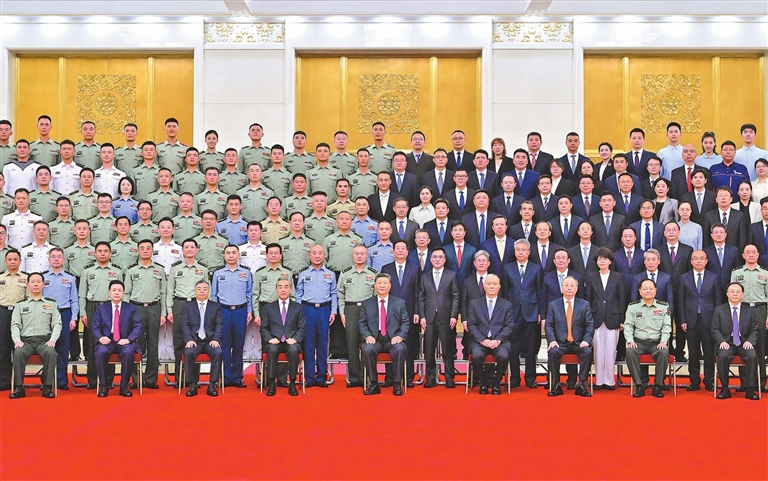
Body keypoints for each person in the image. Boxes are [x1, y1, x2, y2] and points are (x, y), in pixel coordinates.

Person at [123, 239, 167, 390]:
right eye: (142, 248)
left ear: (152, 251)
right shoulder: (131, 270)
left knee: (153, 344)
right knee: (136, 344)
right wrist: (126, 313)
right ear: (138, 251)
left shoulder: (159, 270)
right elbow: (126, 293)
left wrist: (164, 312)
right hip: (136, 308)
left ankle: (150, 379)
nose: (145, 251)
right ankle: (136, 379)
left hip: (154, 308)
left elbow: (163, 292)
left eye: (148, 248)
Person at [9, 272, 61, 399]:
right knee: (18, 352)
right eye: (32, 282)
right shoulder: (20, 305)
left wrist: (53, 340)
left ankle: (47, 386)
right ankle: (19, 387)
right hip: (25, 341)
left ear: (43, 284)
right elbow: (15, 325)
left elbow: (57, 324)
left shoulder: (52, 304)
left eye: (38, 282)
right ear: (27, 284)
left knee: (51, 352)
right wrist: (17, 340)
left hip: (44, 340)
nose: (36, 284)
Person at [79, 242, 123, 389]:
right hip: (93, 307)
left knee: (109, 341)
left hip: (110, 307)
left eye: (105, 251)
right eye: (99, 251)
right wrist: (83, 312)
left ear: (110, 253)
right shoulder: (87, 271)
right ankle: (92, 380)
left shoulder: (117, 271)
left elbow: (121, 293)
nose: (102, 253)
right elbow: (82, 294)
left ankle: (108, 381)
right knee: (92, 343)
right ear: (95, 253)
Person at [166, 239, 209, 387]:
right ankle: (180, 378)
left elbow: (207, 289)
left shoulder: (203, 268)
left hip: (197, 304)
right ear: (182, 250)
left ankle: (193, 379)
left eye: (192, 247)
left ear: (197, 250)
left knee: (196, 340)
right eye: (186, 247)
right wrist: (169, 309)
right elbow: (169, 291)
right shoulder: (175, 268)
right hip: (179, 304)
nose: (189, 249)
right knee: (179, 341)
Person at [359, 273, 410, 396]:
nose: (382, 286)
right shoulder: (367, 303)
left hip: (392, 339)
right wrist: (367, 336)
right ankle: (374, 384)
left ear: (390, 286)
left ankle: (397, 384)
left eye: (385, 283)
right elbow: (362, 323)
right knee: (367, 349)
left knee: (400, 349)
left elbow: (405, 322)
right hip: (375, 339)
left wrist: (400, 336)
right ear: (375, 285)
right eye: (379, 283)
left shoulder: (399, 303)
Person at [679, 250, 721, 391]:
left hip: (709, 320)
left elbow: (718, 301)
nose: (698, 261)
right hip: (690, 320)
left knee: (709, 352)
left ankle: (709, 381)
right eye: (695, 258)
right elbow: (681, 301)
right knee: (693, 352)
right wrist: (682, 320)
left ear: (706, 261)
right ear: (691, 261)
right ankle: (694, 381)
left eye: (701, 258)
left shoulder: (714, 277)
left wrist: (717, 321)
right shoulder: (684, 278)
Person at [381, 240, 421, 387]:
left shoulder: (415, 268)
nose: (400, 251)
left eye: (403, 248)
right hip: (390, 312)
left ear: (407, 252)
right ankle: (390, 377)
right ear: (393, 251)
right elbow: (382, 291)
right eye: (397, 248)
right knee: (390, 343)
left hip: (409, 312)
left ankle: (408, 377)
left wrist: (417, 311)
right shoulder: (386, 268)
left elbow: (418, 292)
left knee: (408, 345)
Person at [211, 245, 253, 388]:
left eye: (234, 253)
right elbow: (214, 295)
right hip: (223, 311)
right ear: (224, 256)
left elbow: (249, 293)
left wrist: (249, 311)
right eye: (228, 253)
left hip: (240, 311)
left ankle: (237, 378)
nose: (231, 255)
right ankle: (225, 377)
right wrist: (215, 314)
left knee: (238, 345)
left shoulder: (246, 273)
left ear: (239, 255)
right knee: (224, 345)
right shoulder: (218, 273)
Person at [92, 280, 142, 398]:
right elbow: (94, 327)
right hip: (107, 341)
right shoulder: (101, 308)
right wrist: (100, 337)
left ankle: (124, 386)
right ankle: (104, 386)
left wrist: (128, 339)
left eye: (119, 290)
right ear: (109, 292)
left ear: (123, 293)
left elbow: (138, 326)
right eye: (114, 290)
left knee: (128, 352)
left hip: (124, 341)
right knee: (101, 352)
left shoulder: (131, 308)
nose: (116, 293)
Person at [418, 247, 460, 388]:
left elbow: (456, 296)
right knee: (429, 349)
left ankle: (449, 377)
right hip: (429, 318)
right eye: (434, 257)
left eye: (440, 257)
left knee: (448, 349)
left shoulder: (451, 275)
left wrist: (454, 315)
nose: (437, 259)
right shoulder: (425, 276)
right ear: (430, 259)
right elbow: (421, 298)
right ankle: (430, 378)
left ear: (445, 259)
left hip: (446, 317)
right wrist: (422, 316)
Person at [296, 245, 337, 388]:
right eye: (314, 253)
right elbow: (299, 294)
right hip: (308, 309)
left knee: (322, 344)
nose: (317, 256)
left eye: (320, 253)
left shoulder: (330, 274)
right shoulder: (303, 274)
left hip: (324, 310)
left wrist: (333, 311)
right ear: (309, 256)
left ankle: (321, 376)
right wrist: (299, 313)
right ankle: (309, 377)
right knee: (308, 344)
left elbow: (334, 293)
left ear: (324, 255)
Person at [584, 248, 625, 390]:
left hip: (613, 317)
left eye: (605, 258)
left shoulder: (618, 277)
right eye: (600, 259)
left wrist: (622, 319)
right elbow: (588, 298)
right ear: (596, 261)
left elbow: (621, 299)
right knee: (598, 351)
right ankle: (599, 381)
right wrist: (588, 319)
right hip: (595, 318)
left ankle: (609, 381)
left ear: (610, 261)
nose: (602, 261)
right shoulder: (591, 277)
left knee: (611, 350)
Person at [545, 276, 594, 397]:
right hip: (560, 343)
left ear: (576, 289)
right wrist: (552, 340)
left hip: (578, 343)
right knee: (553, 352)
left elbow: (589, 325)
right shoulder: (553, 305)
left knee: (587, 352)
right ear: (562, 288)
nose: (569, 288)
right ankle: (556, 384)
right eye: (566, 285)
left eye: (572, 286)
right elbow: (549, 325)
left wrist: (586, 341)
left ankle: (581, 384)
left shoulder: (584, 305)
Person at [466, 274, 514, 395]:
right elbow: (472, 325)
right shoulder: (474, 304)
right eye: (489, 284)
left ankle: (496, 383)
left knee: (503, 356)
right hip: (480, 341)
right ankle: (483, 383)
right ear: (484, 286)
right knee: (476, 356)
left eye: (494, 284)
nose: (492, 286)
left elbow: (509, 325)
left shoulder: (506, 305)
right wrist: (482, 340)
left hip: (499, 342)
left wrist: (497, 340)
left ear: (499, 286)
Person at [336, 245, 377, 388]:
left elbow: (376, 295)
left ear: (367, 256)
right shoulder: (345, 273)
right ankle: (354, 378)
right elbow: (340, 293)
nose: (359, 256)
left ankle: (367, 376)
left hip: (368, 310)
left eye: (362, 254)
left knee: (366, 344)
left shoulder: (373, 273)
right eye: (357, 254)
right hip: (350, 309)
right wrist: (342, 312)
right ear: (352, 256)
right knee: (352, 344)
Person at [624, 279, 672, 398]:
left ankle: (658, 385)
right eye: (645, 289)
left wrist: (663, 341)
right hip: (639, 342)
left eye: (651, 288)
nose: (648, 291)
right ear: (640, 291)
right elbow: (628, 326)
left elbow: (667, 326)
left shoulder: (664, 306)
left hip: (656, 342)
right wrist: (630, 341)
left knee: (663, 352)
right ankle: (639, 385)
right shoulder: (633, 307)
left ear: (656, 290)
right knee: (630, 352)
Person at [730, 245, 768, 392]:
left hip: (760, 309)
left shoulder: (765, 273)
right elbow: (731, 294)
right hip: (743, 309)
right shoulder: (736, 272)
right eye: (748, 252)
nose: (751, 255)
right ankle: (744, 383)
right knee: (743, 345)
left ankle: (761, 382)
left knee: (760, 347)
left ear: (758, 255)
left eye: (753, 252)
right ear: (743, 255)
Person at [712, 282, 760, 400]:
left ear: (742, 294)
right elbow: (715, 329)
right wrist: (721, 341)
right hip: (727, 343)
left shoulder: (750, 310)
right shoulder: (719, 310)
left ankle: (750, 389)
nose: (735, 294)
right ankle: (725, 388)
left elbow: (755, 329)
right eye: (732, 291)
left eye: (738, 292)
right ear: (727, 293)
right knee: (722, 356)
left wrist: (750, 341)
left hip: (744, 343)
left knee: (752, 356)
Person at [261, 278, 305, 396]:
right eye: (280, 287)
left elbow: (302, 327)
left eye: (286, 287)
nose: (283, 290)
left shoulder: (298, 307)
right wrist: (270, 339)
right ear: (276, 290)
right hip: (274, 341)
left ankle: (292, 383)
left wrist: (295, 339)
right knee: (272, 350)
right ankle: (271, 384)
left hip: (291, 340)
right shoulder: (268, 307)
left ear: (290, 289)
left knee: (294, 349)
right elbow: (264, 328)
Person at [43, 248, 78, 391]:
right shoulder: (43, 277)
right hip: (46, 314)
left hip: (64, 313)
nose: (56, 259)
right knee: (47, 348)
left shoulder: (70, 278)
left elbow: (74, 300)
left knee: (63, 348)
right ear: (49, 260)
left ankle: (61, 380)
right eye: (53, 256)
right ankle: (46, 380)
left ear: (63, 260)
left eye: (59, 257)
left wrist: (73, 318)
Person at [182, 280, 223, 397]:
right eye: (199, 289)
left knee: (218, 352)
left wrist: (216, 339)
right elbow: (185, 324)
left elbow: (219, 324)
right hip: (195, 341)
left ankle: (212, 385)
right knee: (188, 352)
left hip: (210, 341)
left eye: (205, 289)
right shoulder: (188, 306)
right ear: (194, 291)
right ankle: (192, 385)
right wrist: (189, 339)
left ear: (209, 291)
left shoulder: (215, 306)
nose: (202, 291)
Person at [0, 250, 28, 391]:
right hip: (3, 313)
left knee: (18, 347)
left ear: (20, 261)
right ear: (5, 261)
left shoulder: (26, 278)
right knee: (3, 348)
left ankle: (18, 382)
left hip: (20, 314)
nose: (12, 262)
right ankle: (4, 381)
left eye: (15, 259)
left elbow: (29, 299)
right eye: (9, 259)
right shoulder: (0, 277)